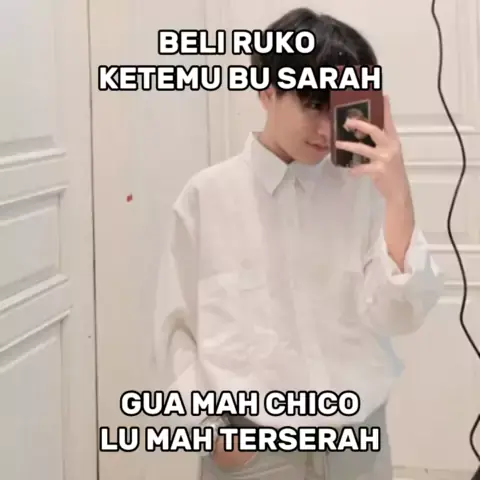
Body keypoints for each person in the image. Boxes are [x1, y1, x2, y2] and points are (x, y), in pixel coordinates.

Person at [152, 7, 443, 480]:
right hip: (253, 452)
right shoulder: (209, 196)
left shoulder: (364, 190)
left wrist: (398, 195)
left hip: (358, 446)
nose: (328, 129)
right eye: (312, 105)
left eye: (339, 107)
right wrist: (213, 436)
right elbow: (175, 328)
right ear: (267, 91)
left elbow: (400, 314)